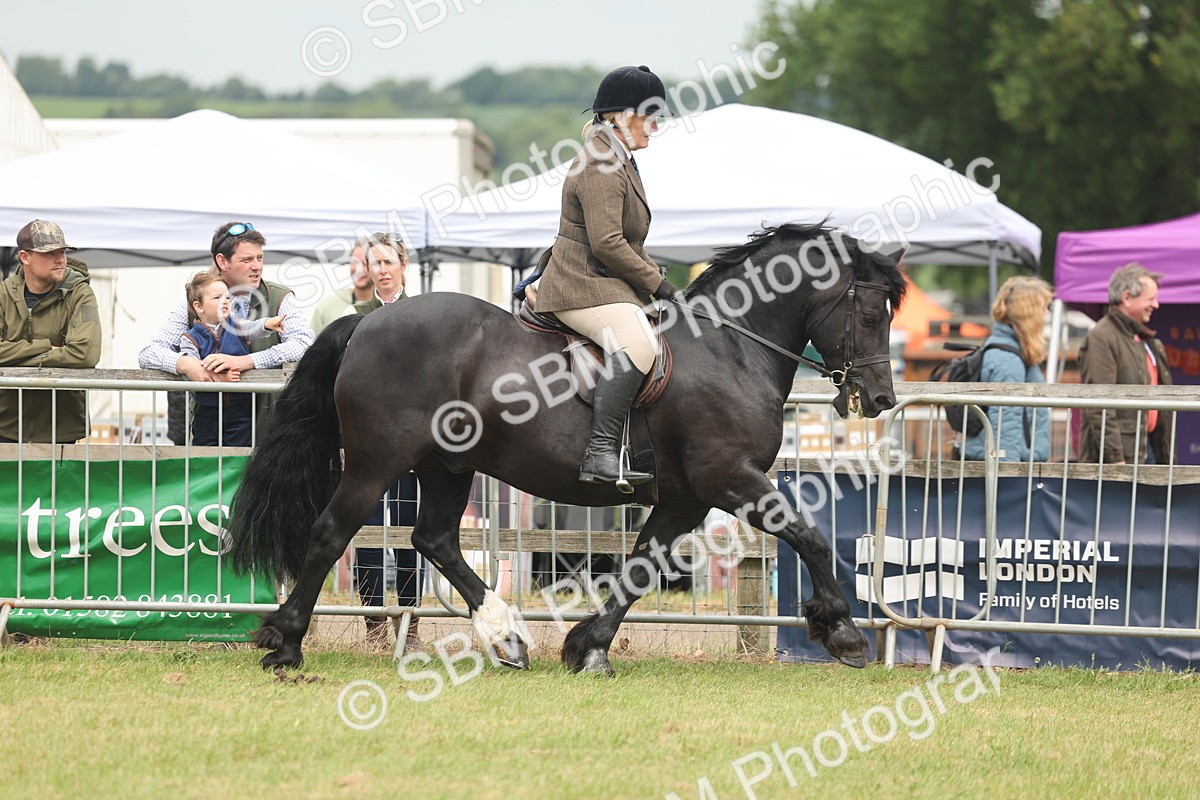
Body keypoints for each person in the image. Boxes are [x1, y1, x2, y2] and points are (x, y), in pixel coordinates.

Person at [534, 65, 677, 490]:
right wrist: (658, 284)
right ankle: (600, 452)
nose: (655, 126)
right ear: (620, 116)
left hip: (602, 282)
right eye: (649, 116)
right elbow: (608, 243)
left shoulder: (620, 158)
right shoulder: (600, 161)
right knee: (639, 342)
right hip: (579, 284)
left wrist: (657, 280)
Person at [138, 222, 314, 443]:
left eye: (259, 258)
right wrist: (187, 365)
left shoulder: (281, 297)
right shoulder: (194, 303)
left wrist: (246, 362)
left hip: (271, 436)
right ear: (222, 261)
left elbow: (304, 343)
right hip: (211, 432)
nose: (257, 266)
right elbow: (148, 352)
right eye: (247, 260)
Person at [345, 233, 424, 651]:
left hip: (413, 449)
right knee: (369, 535)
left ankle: (410, 626)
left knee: (413, 535)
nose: (381, 269)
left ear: (403, 265)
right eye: (374, 263)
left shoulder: (425, 315)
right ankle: (374, 623)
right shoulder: (355, 316)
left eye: (388, 261)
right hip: (370, 449)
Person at [0, 220, 101, 443]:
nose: (60, 259)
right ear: (25, 258)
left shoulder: (80, 293)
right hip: (5, 424)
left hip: (62, 426)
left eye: (63, 251)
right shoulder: (3, 294)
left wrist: (13, 360)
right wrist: (45, 347)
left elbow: (85, 354)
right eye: (49, 253)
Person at [1078, 263, 1174, 465]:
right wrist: (1115, 460)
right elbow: (1099, 404)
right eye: (1151, 299)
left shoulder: (1144, 339)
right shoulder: (1101, 337)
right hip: (1120, 460)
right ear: (1127, 298)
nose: (1156, 305)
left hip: (1146, 452)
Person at [179, 271, 285, 446]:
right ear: (199, 307)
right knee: (205, 451)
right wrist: (222, 379)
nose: (225, 302)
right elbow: (195, 367)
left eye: (228, 298)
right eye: (217, 298)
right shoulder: (190, 338)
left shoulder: (236, 325)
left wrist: (268, 324)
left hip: (239, 408)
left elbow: (252, 326)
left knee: (239, 452)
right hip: (206, 410)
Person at [961, 277, 1053, 462]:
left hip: (1019, 462)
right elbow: (1006, 426)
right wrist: (1009, 477)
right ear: (1028, 312)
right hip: (1011, 469)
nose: (1046, 314)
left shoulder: (1012, 350)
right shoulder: (1008, 359)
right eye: (1043, 307)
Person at [309, 243, 373, 333]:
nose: (359, 269)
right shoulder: (327, 306)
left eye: (364, 263)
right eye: (354, 262)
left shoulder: (387, 305)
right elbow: (312, 345)